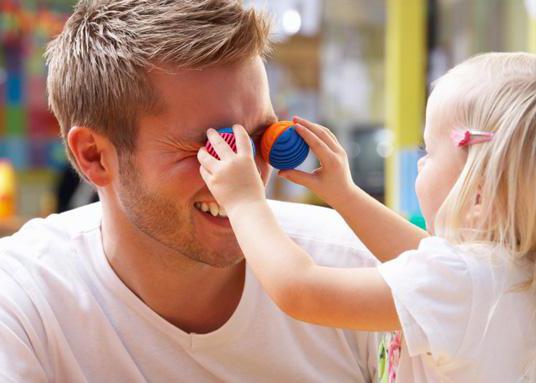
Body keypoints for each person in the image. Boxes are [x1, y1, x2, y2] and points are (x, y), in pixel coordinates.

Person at [0, 1, 380, 381]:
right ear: (95, 155)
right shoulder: (24, 298)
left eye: (264, 136)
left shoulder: (353, 268)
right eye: (214, 146)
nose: (248, 173)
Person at [198, 52, 536, 382]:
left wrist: (244, 201)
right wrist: (344, 195)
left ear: (477, 196)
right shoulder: (500, 274)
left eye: (428, 152)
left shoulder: (463, 284)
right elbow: (417, 252)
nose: (419, 163)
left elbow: (302, 291)